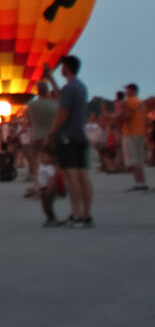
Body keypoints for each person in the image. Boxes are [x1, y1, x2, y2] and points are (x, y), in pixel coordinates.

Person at [52, 55, 93, 226]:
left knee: (72, 176)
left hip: (67, 136)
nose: (60, 69)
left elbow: (63, 114)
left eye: (62, 66)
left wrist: (51, 132)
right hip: (80, 136)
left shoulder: (69, 89)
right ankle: (86, 215)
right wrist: (51, 78)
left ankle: (76, 214)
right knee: (83, 175)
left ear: (66, 68)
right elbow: (61, 97)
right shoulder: (81, 87)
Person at [121, 83, 148, 192]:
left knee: (133, 159)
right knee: (139, 159)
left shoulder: (129, 101)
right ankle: (142, 182)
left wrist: (119, 120)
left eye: (127, 89)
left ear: (131, 91)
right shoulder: (141, 103)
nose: (126, 92)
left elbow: (127, 116)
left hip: (130, 133)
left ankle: (139, 183)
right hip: (140, 132)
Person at [35, 145, 63, 228]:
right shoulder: (41, 166)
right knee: (44, 205)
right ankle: (50, 218)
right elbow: (38, 175)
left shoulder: (49, 168)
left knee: (47, 205)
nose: (42, 158)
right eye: (40, 156)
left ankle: (52, 218)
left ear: (50, 158)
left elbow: (52, 179)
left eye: (44, 156)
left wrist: (50, 188)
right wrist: (38, 186)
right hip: (43, 187)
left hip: (48, 188)